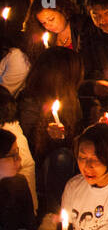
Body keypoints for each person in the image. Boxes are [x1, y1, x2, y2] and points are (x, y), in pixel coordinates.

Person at [17, 47, 83, 209]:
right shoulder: (30, 98)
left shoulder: (71, 97)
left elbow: (77, 132)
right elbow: (30, 144)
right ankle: (52, 213)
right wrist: (48, 136)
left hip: (72, 158)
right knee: (62, 157)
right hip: (44, 166)